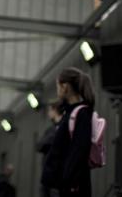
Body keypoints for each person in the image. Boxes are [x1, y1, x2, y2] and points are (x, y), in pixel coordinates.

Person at [42, 67, 95, 197]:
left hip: (71, 188)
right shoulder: (70, 113)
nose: (57, 90)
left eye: (57, 86)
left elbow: (79, 151)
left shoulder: (81, 114)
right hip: (64, 186)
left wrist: (65, 181)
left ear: (65, 86)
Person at [37, 100, 64, 197]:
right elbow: (39, 146)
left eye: (49, 110)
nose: (48, 113)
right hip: (48, 173)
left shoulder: (63, 127)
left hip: (57, 174)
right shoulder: (51, 129)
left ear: (55, 110)